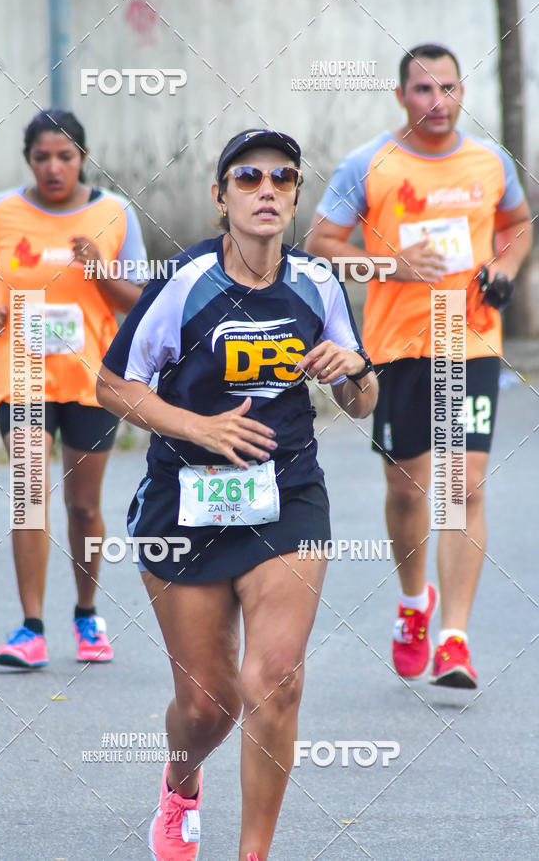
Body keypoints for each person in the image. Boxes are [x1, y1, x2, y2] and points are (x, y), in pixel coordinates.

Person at [96, 128, 378, 860]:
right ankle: (181, 781)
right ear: (220, 197)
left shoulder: (317, 282)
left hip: (287, 496)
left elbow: (361, 399)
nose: (266, 189)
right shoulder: (187, 282)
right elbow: (112, 383)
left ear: (292, 197)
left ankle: (254, 852)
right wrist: (200, 426)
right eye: (247, 177)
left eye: (282, 178)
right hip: (184, 503)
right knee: (207, 705)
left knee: (275, 680)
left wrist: (354, 368)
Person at [305, 44, 532, 689]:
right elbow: (321, 244)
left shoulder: (490, 163)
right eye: (423, 90)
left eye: (449, 89)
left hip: (468, 341)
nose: (437, 102)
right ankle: (414, 603)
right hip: (397, 346)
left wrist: (506, 268)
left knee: (464, 487)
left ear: (463, 93)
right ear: (401, 95)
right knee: (407, 490)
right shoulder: (367, 163)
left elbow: (517, 222)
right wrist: (391, 267)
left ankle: (454, 640)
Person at [0, 109, 147, 668]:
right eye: (42, 157)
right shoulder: (0, 211)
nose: (53, 167)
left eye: (65, 156)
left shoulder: (114, 213)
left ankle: (87, 614)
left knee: (84, 506)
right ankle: (31, 628)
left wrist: (98, 270)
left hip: (91, 378)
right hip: (20, 374)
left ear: (83, 159)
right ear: (28, 160)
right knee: (28, 500)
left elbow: (138, 303)